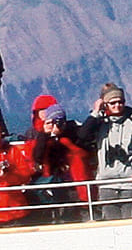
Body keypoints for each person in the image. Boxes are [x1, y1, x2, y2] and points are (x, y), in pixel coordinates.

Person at [78, 82, 132, 218]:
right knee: (111, 224)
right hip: (106, 183)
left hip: (130, 184)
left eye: (120, 102)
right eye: (112, 103)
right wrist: (96, 112)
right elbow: (82, 135)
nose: (117, 106)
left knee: (131, 222)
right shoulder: (100, 124)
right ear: (106, 104)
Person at [24, 94, 94, 222]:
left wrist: (63, 138)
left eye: (48, 110)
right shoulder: (32, 133)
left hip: (71, 181)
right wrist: (45, 136)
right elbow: (36, 157)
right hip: (47, 181)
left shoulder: (70, 130)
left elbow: (83, 149)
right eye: (42, 111)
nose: (45, 114)